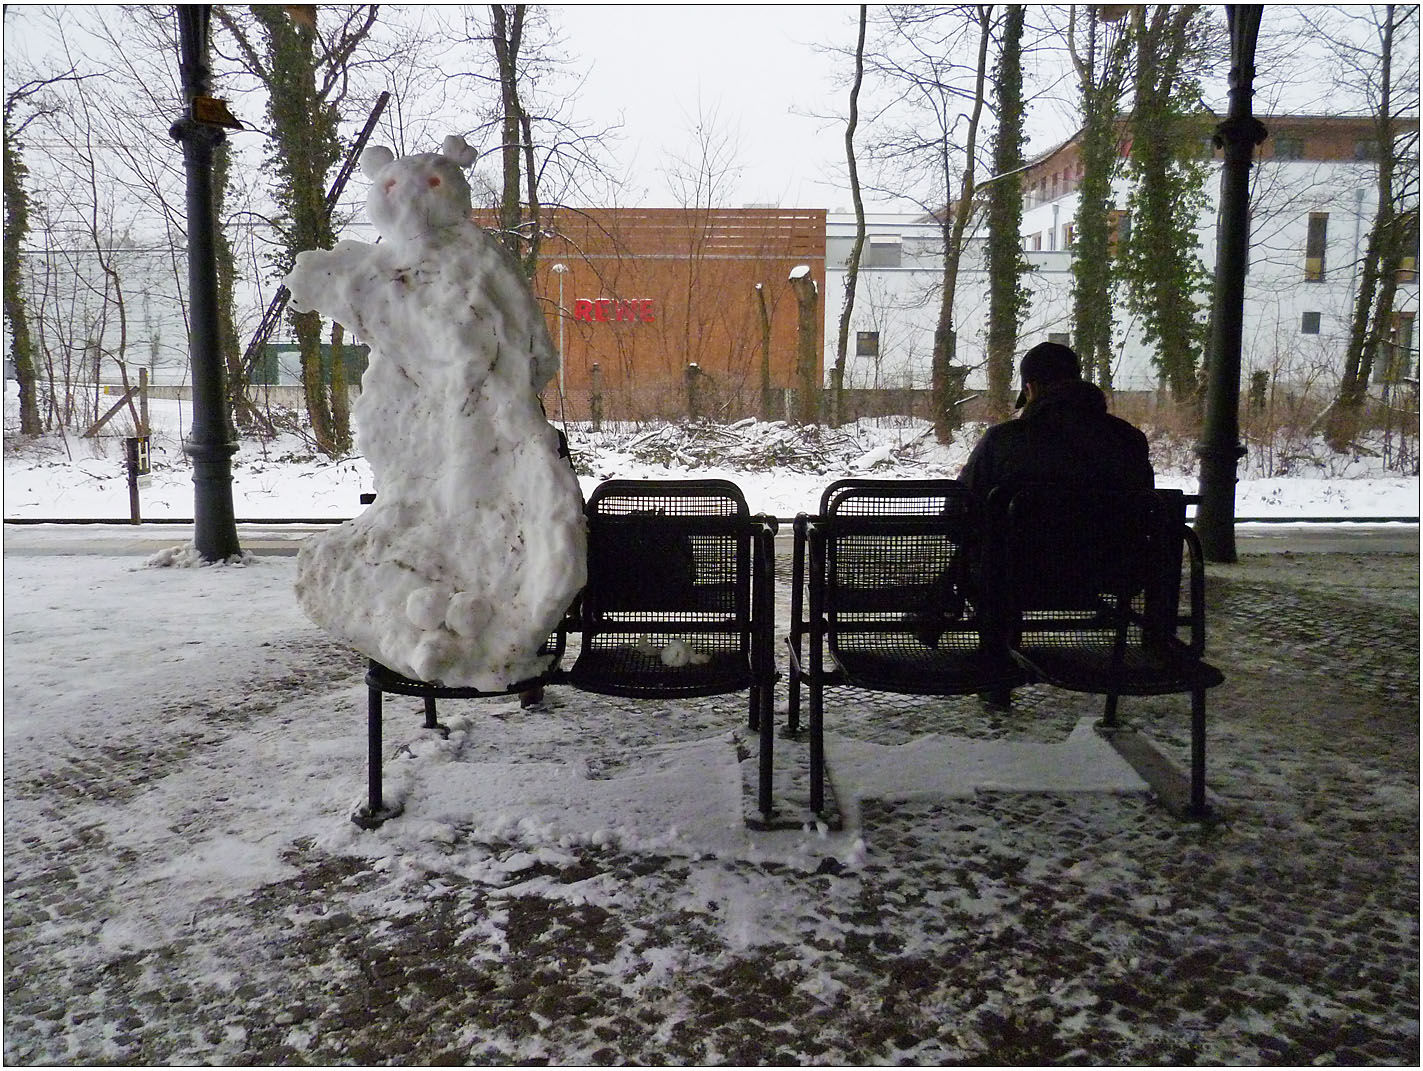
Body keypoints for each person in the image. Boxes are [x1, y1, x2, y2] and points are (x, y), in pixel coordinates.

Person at [958, 341, 1153, 498]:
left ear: (1030, 389)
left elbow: (957, 515)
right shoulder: (1129, 440)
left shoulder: (1001, 441)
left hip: (1021, 548)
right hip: (1112, 548)